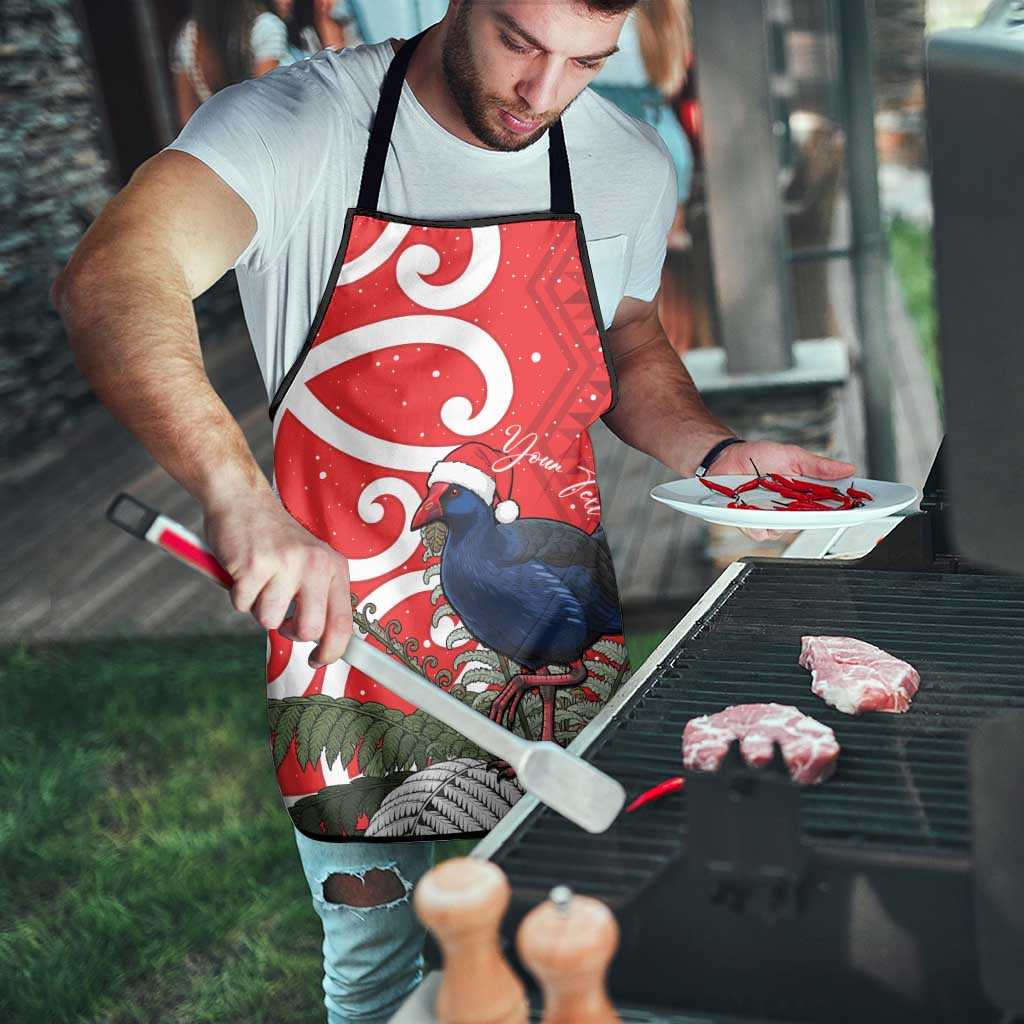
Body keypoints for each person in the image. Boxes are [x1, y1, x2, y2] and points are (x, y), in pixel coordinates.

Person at [52, 2, 856, 1020]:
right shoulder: (297, 126)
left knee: (583, 942)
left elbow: (630, 336)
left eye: (585, 62)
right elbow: (113, 276)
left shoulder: (624, 160)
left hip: (556, 645)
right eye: (520, 42)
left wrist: (717, 448)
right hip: (350, 659)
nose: (543, 93)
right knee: (381, 974)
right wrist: (236, 495)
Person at [169, 0, 289, 127]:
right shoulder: (266, 27)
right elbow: (266, 107)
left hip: (215, 140)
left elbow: (187, 120)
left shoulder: (188, 37)